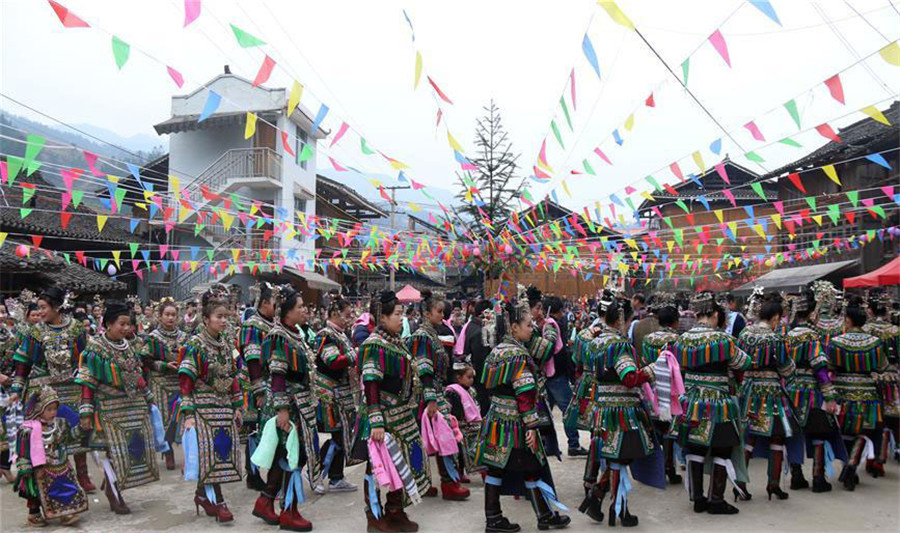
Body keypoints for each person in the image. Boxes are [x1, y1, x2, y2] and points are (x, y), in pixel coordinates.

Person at [473, 291, 570, 533]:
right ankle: (537, 516)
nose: (531, 329)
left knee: (497, 467)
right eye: (528, 325)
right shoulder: (519, 355)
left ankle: (495, 517)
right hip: (515, 422)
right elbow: (525, 394)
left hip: (496, 418)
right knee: (532, 465)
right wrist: (531, 425)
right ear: (514, 327)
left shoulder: (498, 351)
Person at [352, 290, 430, 532]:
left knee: (403, 462)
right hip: (382, 416)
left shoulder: (397, 342)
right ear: (382, 317)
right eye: (397, 314)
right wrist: (376, 421)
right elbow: (372, 383)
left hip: (401, 415)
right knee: (376, 466)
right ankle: (374, 516)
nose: (401, 319)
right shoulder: (375, 345)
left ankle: (395, 510)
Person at [579, 299, 660, 527]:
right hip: (621, 411)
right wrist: (652, 369)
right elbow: (629, 378)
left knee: (619, 457)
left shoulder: (594, 343)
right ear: (620, 320)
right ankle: (618, 509)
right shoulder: (619, 345)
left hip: (602, 407)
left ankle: (599, 498)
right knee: (623, 456)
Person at [75, 300, 160, 515]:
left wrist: (149, 398)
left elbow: (137, 376)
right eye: (121, 324)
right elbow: (88, 381)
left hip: (132, 405)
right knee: (111, 453)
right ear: (108, 324)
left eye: (128, 324)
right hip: (107, 407)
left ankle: (112, 485)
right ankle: (115, 493)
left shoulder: (129, 345)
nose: (126, 328)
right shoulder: (94, 349)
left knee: (130, 450)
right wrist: (86, 412)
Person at [671, 291, 751, 515]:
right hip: (718, 402)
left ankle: (697, 498)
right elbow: (743, 362)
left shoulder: (683, 339)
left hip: (691, 401)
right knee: (722, 448)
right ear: (715, 314)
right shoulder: (723, 339)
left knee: (694, 447)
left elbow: (679, 365)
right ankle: (716, 499)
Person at [9, 287, 94, 493]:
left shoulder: (75, 329)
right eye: (38, 308)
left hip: (70, 387)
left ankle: (82, 474)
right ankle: (47, 480)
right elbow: (23, 362)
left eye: (43, 307)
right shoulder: (35, 332)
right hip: (42, 390)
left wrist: (88, 382)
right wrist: (17, 389)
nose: (40, 312)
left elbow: (85, 358)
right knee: (45, 437)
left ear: (57, 307)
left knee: (77, 429)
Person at [251, 285, 321, 532]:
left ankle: (266, 501)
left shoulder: (296, 333)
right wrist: (282, 410)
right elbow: (278, 374)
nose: (305, 310)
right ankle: (288, 510)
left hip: (298, 405)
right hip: (287, 406)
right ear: (287, 312)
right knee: (293, 456)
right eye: (300, 307)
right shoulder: (279, 336)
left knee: (288, 455)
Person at [179, 286, 243, 523]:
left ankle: (201, 495)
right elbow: (186, 381)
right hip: (203, 406)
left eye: (226, 316)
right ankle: (218, 500)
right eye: (219, 317)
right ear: (205, 319)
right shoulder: (195, 345)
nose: (224, 321)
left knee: (222, 451)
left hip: (224, 405)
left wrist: (237, 405)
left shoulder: (227, 343)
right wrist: (188, 414)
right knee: (211, 452)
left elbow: (235, 374)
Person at [736, 293, 800, 502]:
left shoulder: (745, 335)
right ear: (775, 318)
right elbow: (787, 368)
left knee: (750, 437)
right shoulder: (776, 338)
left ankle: (740, 484)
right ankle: (773, 484)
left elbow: (737, 362)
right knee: (777, 437)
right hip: (771, 392)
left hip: (748, 390)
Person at [408, 290, 469, 501]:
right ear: (427, 313)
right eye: (439, 311)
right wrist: (431, 398)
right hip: (426, 396)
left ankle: (442, 482)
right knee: (436, 438)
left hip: (434, 392)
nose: (442, 316)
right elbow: (424, 369)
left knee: (440, 438)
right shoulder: (423, 336)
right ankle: (441, 483)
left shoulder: (432, 333)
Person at [783, 289, 842, 493]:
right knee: (819, 431)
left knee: (794, 432)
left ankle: (796, 475)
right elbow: (820, 369)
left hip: (790, 389)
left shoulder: (786, 335)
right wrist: (830, 395)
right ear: (812, 313)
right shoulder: (813, 336)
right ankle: (818, 477)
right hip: (811, 391)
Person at [826, 302, 889, 491]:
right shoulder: (875, 343)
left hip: (842, 390)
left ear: (848, 320)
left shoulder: (837, 342)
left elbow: (829, 366)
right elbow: (882, 367)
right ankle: (851, 467)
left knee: (845, 431)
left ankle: (848, 465)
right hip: (867, 392)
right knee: (864, 431)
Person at [14, 385, 89, 526]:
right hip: (41, 467)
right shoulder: (28, 429)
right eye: (49, 409)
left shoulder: (60, 423)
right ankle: (34, 515)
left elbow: (69, 437)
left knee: (66, 488)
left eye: (55, 409)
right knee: (35, 492)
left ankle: (66, 513)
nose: (53, 412)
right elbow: (23, 451)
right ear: (40, 409)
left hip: (61, 464)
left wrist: (80, 429)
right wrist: (25, 467)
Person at [313, 298, 360, 494]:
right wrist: (355, 355)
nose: (350, 317)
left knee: (342, 436)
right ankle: (319, 473)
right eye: (347, 313)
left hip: (342, 393)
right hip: (330, 395)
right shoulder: (326, 335)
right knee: (337, 435)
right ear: (335, 314)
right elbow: (332, 360)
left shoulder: (340, 334)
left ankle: (336, 476)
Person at [637, 302, 682, 485]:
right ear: (675, 322)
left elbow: (645, 360)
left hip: (652, 386)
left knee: (654, 426)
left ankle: (656, 466)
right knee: (670, 430)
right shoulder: (678, 339)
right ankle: (669, 465)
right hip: (670, 388)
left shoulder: (649, 338)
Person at [241, 282, 277, 491]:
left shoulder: (271, 323)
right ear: (264, 303)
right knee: (255, 430)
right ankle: (252, 474)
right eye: (274, 303)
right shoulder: (253, 325)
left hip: (270, 383)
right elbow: (252, 358)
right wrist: (259, 389)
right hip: (256, 385)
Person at [143, 298, 186, 471]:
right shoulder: (153, 338)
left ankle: (186, 453)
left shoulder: (184, 336)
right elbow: (145, 359)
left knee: (182, 417)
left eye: (173, 315)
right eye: (167, 315)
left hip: (180, 381)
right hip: (160, 382)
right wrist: (163, 365)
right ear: (160, 316)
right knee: (165, 419)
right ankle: (168, 453)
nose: (170, 318)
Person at [542, 296, 586, 456]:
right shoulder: (553, 325)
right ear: (559, 311)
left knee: (545, 411)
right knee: (568, 410)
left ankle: (548, 444)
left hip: (548, 374)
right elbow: (550, 349)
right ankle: (573, 444)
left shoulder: (548, 324)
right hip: (556, 374)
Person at [863, 293, 900, 475]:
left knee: (874, 419)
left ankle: (872, 457)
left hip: (871, 379)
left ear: (869, 310)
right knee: (891, 418)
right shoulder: (895, 331)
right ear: (887, 310)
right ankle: (880, 458)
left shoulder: (865, 329)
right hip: (892, 380)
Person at [445, 362, 482, 479]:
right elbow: (454, 411)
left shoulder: (472, 391)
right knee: (459, 452)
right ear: (459, 378)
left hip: (472, 424)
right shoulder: (452, 391)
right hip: (459, 426)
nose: (471, 380)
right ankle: (460, 472)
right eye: (468, 377)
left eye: (472, 378)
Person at [463, 300, 493, 416]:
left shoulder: (472, 325)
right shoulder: (480, 332)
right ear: (484, 314)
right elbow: (481, 362)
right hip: (481, 379)